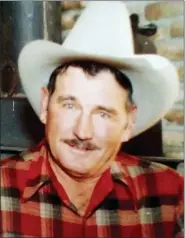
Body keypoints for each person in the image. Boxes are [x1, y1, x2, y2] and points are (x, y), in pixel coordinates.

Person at [0, 2, 183, 238]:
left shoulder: (167, 194)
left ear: (128, 123)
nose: (82, 132)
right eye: (69, 105)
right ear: (45, 106)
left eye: (102, 113)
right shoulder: (4, 191)